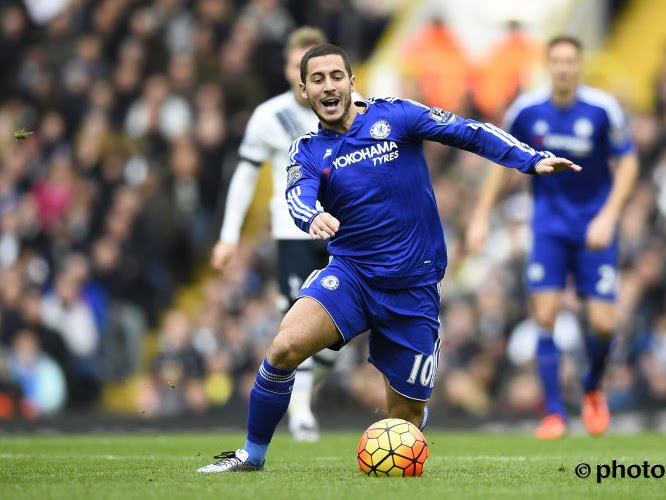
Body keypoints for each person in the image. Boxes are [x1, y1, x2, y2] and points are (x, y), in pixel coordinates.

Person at [197, 43, 579, 473]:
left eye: (336, 76)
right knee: (285, 345)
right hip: (352, 276)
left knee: (405, 423)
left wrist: (530, 159)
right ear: (304, 90)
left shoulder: (394, 115)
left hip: (413, 287)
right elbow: (297, 197)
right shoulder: (307, 149)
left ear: (351, 81)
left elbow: (467, 131)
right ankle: (253, 454)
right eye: (317, 80)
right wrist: (315, 216)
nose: (328, 86)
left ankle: (412, 410)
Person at [465, 36, 639, 439]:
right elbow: (498, 159)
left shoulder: (601, 109)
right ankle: (555, 412)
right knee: (544, 317)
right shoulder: (526, 110)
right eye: (556, 61)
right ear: (548, 65)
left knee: (603, 324)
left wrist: (609, 217)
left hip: (594, 227)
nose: (563, 68)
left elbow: (628, 162)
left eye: (570, 61)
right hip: (548, 227)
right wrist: (479, 217)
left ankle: (593, 388)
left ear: (580, 66)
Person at [210, 26, 335, 442]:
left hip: (344, 232)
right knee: (298, 322)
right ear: (290, 70)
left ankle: (302, 404)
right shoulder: (269, 116)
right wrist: (229, 235)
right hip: (294, 232)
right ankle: (300, 412)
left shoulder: (349, 111)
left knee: (338, 337)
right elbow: (245, 176)